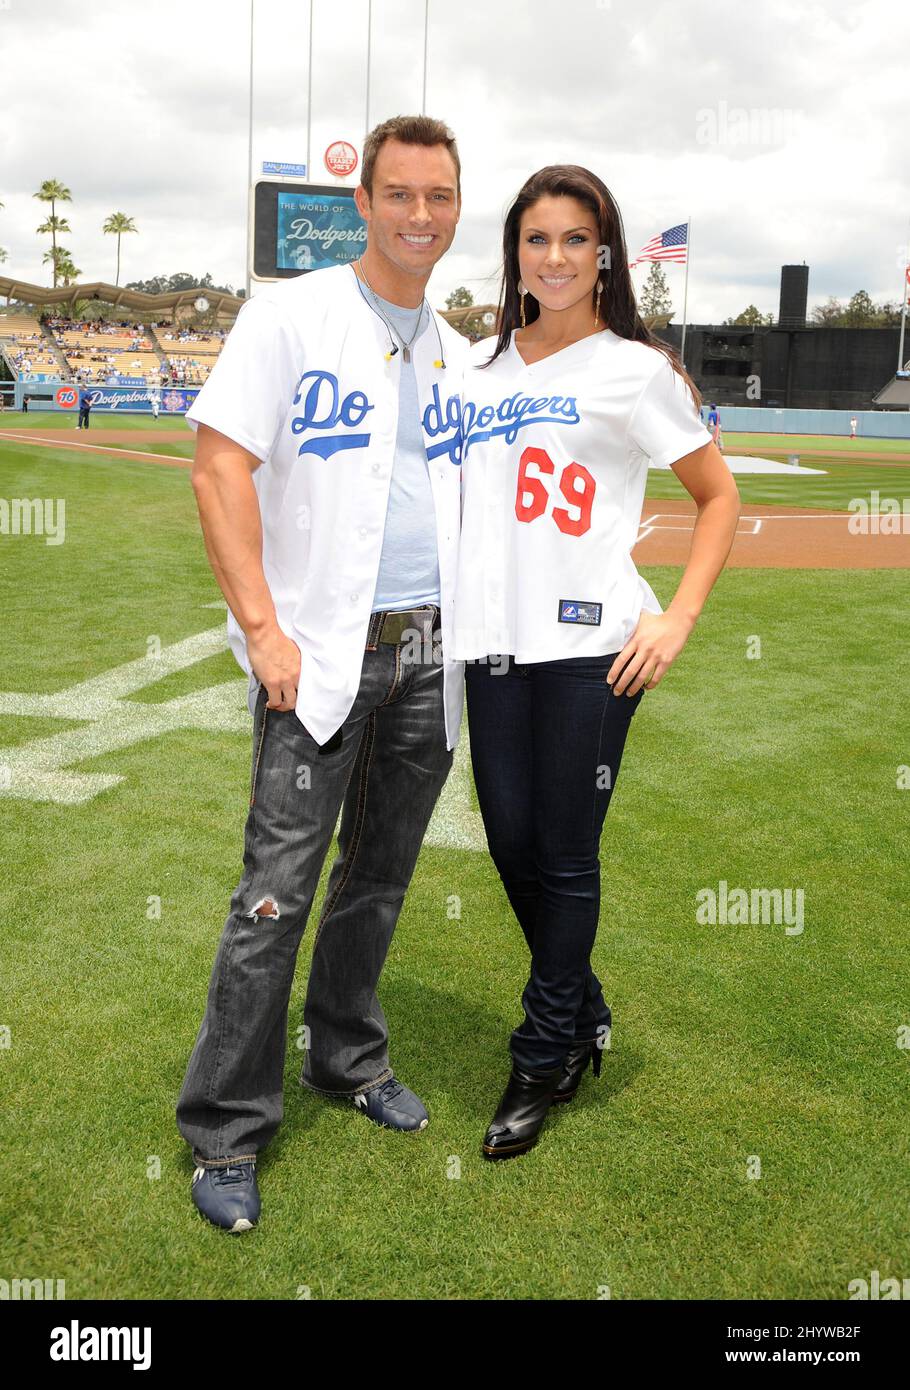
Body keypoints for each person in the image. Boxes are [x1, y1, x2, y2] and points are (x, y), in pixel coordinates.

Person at [175, 114, 467, 1233]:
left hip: (427, 654)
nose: (419, 215)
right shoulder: (290, 313)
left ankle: (345, 1055)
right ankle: (225, 1129)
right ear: (364, 203)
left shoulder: (449, 344)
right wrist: (264, 627)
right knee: (273, 896)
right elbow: (218, 471)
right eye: (399, 194)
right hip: (319, 658)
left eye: (438, 197)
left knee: (379, 880)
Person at [452, 165, 741, 1160]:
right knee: (509, 844)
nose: (555, 257)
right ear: (515, 253)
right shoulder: (482, 369)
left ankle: (544, 1056)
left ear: (603, 255)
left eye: (575, 239)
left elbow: (719, 497)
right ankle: (582, 1004)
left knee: (565, 854)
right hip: (493, 642)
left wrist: (679, 619)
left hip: (591, 647)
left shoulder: (636, 370)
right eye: (537, 238)